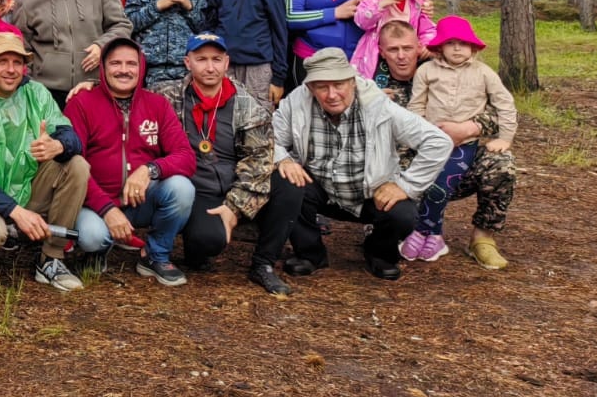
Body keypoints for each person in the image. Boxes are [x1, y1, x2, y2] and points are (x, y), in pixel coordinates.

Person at [272, 47, 451, 281]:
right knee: (284, 182)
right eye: (322, 87)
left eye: (339, 85)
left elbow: (439, 142)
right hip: (322, 188)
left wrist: (405, 186)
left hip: (371, 192)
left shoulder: (379, 106)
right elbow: (268, 139)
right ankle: (309, 254)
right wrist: (283, 159)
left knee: (404, 214)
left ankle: (379, 253)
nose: (332, 94)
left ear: (352, 82)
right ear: (310, 88)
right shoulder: (296, 102)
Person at [148, 34, 304, 296]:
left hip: (238, 183)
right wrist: (89, 86)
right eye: (201, 59)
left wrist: (234, 208)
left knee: (290, 185)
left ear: (227, 63)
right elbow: (126, 97)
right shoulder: (166, 95)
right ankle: (197, 246)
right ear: (188, 62)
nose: (210, 67)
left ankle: (263, 264)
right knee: (207, 242)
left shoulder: (247, 105)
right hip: (197, 189)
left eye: (216, 60)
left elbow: (258, 161)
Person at [374, 21, 517, 270]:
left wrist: (471, 127)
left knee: (501, 163)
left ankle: (483, 238)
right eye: (393, 49)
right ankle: (387, 229)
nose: (401, 55)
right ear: (381, 50)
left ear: (420, 47)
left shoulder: (463, 69)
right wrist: (370, 102)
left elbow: (503, 107)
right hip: (400, 168)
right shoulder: (373, 81)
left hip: (459, 154)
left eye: (407, 48)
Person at [0, 32, 91, 292]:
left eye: (17, 62)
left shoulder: (36, 92)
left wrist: (58, 145)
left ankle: (51, 258)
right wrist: (16, 212)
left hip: (28, 186)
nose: (11, 70)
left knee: (76, 165)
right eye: (2, 62)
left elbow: (71, 136)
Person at [64, 41, 197, 287]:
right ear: (102, 68)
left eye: (131, 64)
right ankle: (97, 252)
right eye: (115, 63)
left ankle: (155, 255)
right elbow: (72, 165)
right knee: (93, 237)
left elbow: (185, 156)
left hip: (140, 199)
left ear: (141, 67)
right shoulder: (82, 104)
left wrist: (150, 169)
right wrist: (106, 209)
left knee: (182, 188)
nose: (124, 70)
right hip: (93, 203)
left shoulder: (157, 104)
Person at [8, 0, 132, 108]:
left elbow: (122, 25)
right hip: (47, 90)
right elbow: (22, 44)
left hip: (94, 85)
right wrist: (32, 82)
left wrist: (102, 45)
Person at [206, 0, 289, 106]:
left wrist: (279, 78)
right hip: (225, 65)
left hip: (258, 68)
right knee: (224, 116)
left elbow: (280, 33)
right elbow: (210, 26)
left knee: (257, 121)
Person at [352, 0, 437, 78]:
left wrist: (427, 43)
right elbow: (362, 21)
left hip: (408, 51)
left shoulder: (417, 2)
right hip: (378, 52)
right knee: (377, 81)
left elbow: (428, 28)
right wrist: (380, 6)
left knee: (417, 78)